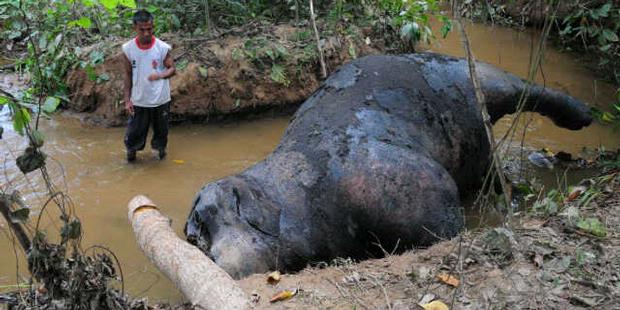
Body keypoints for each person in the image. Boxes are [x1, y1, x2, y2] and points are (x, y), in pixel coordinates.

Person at [122, 9, 175, 162]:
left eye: (149, 29)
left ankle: (159, 162)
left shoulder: (162, 48)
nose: (146, 33)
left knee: (161, 137)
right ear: (135, 28)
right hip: (139, 100)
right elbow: (127, 75)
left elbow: (172, 69)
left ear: (153, 27)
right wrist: (127, 100)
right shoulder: (128, 49)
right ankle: (130, 163)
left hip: (161, 99)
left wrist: (160, 75)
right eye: (142, 30)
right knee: (133, 139)